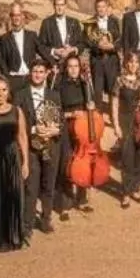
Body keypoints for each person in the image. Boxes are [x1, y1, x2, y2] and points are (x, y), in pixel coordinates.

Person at [0, 78, 28, 251]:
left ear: (9, 91)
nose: (0, 94)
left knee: (15, 196)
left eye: (3, 90)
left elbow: (22, 137)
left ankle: (15, 236)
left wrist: (25, 163)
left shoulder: (17, 111)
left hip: (14, 158)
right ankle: (0, 239)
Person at [20, 58, 62, 231]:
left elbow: (61, 122)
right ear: (31, 73)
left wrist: (55, 130)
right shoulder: (20, 95)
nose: (37, 75)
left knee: (48, 185)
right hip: (30, 147)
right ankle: (28, 224)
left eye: (41, 72)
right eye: (35, 71)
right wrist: (34, 130)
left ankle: (46, 218)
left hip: (51, 146)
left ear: (46, 74)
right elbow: (17, 123)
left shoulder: (54, 95)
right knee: (31, 187)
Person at [55, 52, 97, 214]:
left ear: (80, 68)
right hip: (66, 125)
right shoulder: (60, 86)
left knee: (84, 161)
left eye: (76, 67)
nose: (73, 70)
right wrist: (70, 115)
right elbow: (55, 110)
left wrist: (91, 106)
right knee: (66, 162)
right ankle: (65, 203)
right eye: (70, 67)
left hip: (83, 127)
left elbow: (91, 105)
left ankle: (82, 198)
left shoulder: (85, 83)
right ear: (66, 69)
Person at [112, 52, 140, 204]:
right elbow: (115, 103)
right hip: (125, 120)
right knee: (127, 157)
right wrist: (116, 125)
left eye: (136, 62)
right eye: (130, 62)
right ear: (126, 63)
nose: (133, 65)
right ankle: (126, 192)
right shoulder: (119, 81)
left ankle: (136, 189)